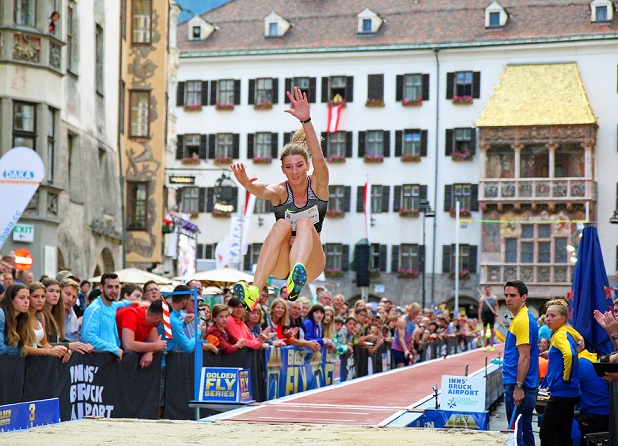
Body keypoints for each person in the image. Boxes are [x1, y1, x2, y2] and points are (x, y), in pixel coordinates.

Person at [232, 87, 328, 309]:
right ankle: (254, 291)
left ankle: (297, 276)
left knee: (304, 222)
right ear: (283, 170)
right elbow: (263, 191)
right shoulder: (281, 191)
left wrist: (307, 121)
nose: (295, 172)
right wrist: (247, 183)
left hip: (312, 261)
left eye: (299, 166)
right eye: (289, 167)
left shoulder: (318, 185)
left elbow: (320, 159)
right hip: (281, 261)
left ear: (307, 166)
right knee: (282, 224)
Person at [539, 299, 581, 446]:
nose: (548, 319)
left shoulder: (559, 335)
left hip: (561, 391)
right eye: (547, 316)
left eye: (552, 316)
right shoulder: (568, 332)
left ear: (563, 319)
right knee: (563, 433)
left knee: (546, 433)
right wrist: (550, 354)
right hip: (570, 392)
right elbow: (576, 346)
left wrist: (566, 377)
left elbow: (569, 354)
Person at [502, 280, 539, 446]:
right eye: (506, 295)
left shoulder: (523, 320)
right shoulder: (519, 318)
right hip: (518, 383)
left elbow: (525, 357)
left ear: (523, 297)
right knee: (522, 431)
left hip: (519, 385)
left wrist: (518, 387)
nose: (508, 299)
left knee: (520, 434)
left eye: (513, 295)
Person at [81, 273, 134, 360]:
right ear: (101, 288)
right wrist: (113, 349)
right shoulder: (94, 309)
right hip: (96, 361)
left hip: (110, 360)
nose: (114, 290)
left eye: (117, 287)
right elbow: (88, 338)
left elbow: (120, 303)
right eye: (110, 287)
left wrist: (135, 303)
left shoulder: (112, 305)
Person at [159, 285, 217, 354]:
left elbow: (170, 331)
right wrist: (198, 330)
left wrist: (184, 323)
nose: (197, 305)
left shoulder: (168, 313)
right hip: (164, 360)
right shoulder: (173, 320)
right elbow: (188, 347)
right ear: (185, 301)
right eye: (191, 300)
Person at [25, 282, 71, 361]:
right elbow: (21, 347)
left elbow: (44, 343)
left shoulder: (40, 316)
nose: (40, 300)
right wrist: (49, 351)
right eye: (36, 296)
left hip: (35, 363)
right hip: (22, 362)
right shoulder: (21, 317)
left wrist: (62, 350)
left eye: (43, 297)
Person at [116, 299, 167, 368]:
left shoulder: (151, 319)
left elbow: (154, 343)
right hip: (111, 356)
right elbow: (128, 345)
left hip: (122, 357)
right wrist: (154, 347)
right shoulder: (131, 314)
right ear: (158, 318)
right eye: (164, 320)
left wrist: (149, 351)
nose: (163, 323)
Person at [577, 347, 610, 445]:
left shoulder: (579, 364)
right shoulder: (593, 361)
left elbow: (567, 390)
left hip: (594, 415)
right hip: (608, 414)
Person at [0, 284, 32, 355]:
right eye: (21, 298)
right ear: (11, 300)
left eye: (28, 298)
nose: (26, 301)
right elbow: (0, 349)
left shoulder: (22, 317)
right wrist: (22, 350)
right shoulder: (1, 314)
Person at [392, 303, 420, 367]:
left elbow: (410, 336)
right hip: (398, 348)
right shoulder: (402, 321)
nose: (415, 316)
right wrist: (406, 350)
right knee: (401, 366)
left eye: (416, 314)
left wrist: (411, 348)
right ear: (409, 311)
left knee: (407, 368)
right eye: (413, 313)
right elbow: (401, 338)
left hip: (407, 348)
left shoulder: (413, 321)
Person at [478, 285, 499, 352]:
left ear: (490, 290)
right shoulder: (482, 299)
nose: (487, 291)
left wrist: (496, 312)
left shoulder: (494, 298)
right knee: (484, 330)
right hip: (485, 315)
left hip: (491, 315)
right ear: (485, 290)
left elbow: (496, 305)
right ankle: (484, 346)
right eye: (486, 290)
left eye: (488, 289)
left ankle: (491, 345)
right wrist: (479, 317)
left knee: (492, 331)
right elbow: (480, 308)